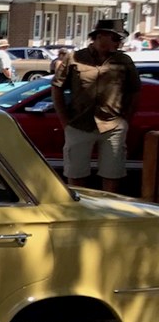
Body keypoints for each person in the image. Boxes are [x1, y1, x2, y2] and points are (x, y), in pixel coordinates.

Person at [51, 18, 141, 195]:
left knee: (112, 175)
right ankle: (81, 208)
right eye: (116, 38)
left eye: (120, 39)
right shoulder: (74, 58)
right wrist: (64, 121)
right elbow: (57, 87)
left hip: (113, 125)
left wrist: (125, 120)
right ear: (100, 36)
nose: (119, 43)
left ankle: (108, 207)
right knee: (76, 175)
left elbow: (135, 91)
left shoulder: (124, 60)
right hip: (79, 125)